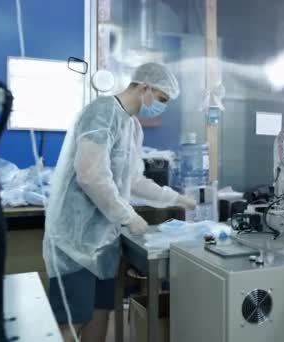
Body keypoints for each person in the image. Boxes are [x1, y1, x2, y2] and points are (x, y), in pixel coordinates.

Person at [43, 62, 196, 342]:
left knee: (100, 314)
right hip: (74, 240)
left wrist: (175, 198)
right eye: (161, 99)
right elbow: (90, 175)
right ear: (144, 87)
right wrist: (127, 216)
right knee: (74, 319)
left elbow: (134, 180)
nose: (161, 106)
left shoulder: (132, 126)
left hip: (103, 241)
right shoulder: (103, 112)